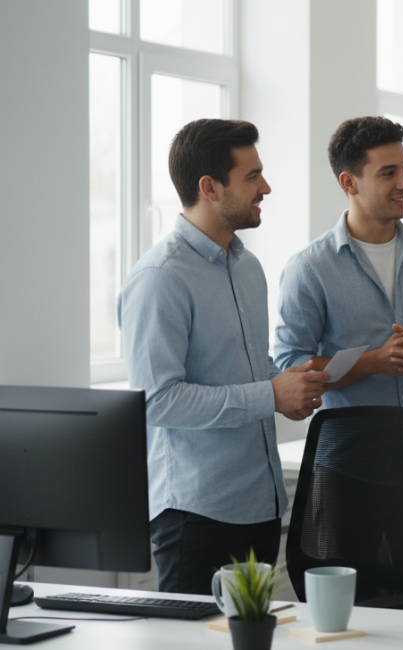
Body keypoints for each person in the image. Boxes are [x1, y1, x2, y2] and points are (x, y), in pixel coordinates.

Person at [118, 119, 329, 594]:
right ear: (209, 187)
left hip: (260, 503)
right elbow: (159, 402)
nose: (266, 188)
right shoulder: (160, 278)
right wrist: (268, 395)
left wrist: (289, 385)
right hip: (197, 513)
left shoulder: (248, 266)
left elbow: (251, 369)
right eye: (252, 177)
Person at [274, 116, 403, 605]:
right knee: (348, 618)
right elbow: (290, 368)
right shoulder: (309, 267)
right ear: (349, 182)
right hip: (347, 473)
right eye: (387, 172)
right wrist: (372, 363)